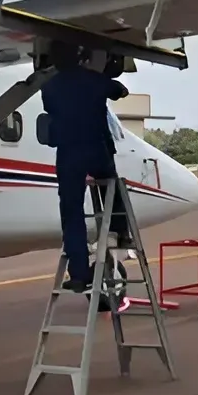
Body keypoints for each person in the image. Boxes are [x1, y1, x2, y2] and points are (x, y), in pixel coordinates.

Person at [40, 45, 129, 294]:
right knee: (111, 185)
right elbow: (120, 91)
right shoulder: (93, 80)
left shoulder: (50, 86)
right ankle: (119, 231)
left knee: (71, 212)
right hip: (95, 146)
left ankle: (78, 274)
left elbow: (49, 107)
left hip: (68, 152)